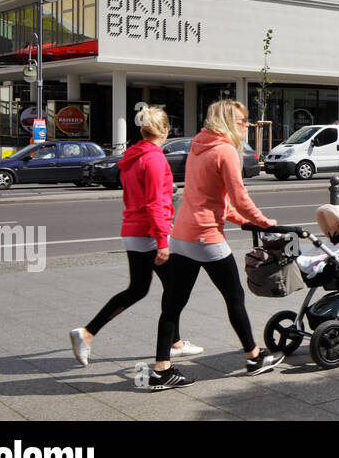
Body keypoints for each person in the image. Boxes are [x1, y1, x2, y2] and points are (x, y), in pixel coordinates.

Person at [148, 100, 282, 390]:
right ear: (227, 121)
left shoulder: (198, 145)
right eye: (242, 120)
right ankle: (254, 357)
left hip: (182, 234)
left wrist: (240, 220)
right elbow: (238, 195)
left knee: (173, 303)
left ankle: (161, 370)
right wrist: (261, 221)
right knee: (234, 297)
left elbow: (211, 196)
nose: (246, 125)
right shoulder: (225, 151)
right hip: (206, 237)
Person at [69, 106, 201, 366]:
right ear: (164, 130)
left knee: (139, 289)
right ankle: (168, 349)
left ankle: (88, 333)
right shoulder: (154, 159)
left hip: (133, 230)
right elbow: (154, 203)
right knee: (175, 289)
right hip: (150, 233)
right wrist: (162, 241)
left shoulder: (133, 157)